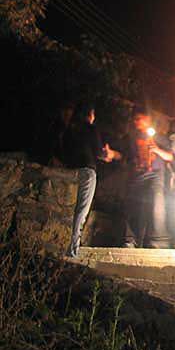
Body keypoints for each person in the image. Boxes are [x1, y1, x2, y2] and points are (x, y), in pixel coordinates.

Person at [64, 102, 119, 257]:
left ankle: (68, 244)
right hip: (87, 171)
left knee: (70, 208)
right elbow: (99, 153)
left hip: (71, 171)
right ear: (90, 115)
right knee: (82, 210)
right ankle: (73, 249)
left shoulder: (71, 129)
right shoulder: (91, 128)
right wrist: (110, 155)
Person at [122, 109, 173, 249]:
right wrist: (112, 154)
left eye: (140, 118)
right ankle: (131, 240)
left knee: (157, 204)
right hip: (137, 175)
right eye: (135, 119)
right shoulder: (131, 138)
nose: (136, 121)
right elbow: (123, 155)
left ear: (148, 119)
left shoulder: (159, 137)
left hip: (155, 174)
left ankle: (158, 241)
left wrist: (157, 150)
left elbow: (170, 157)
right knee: (133, 205)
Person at [46, 101, 74, 167]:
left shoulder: (74, 128)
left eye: (69, 112)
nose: (66, 114)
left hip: (70, 165)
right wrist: (52, 158)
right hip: (56, 164)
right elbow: (49, 144)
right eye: (64, 111)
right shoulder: (55, 127)